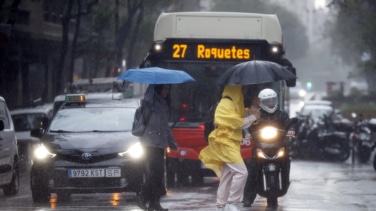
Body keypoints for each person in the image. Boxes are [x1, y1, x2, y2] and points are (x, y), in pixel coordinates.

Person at [199, 85, 260, 211]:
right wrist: (252, 117)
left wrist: (253, 109)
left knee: (227, 175)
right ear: (236, 89)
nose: (244, 91)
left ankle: (221, 205)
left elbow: (242, 117)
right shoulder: (226, 103)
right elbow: (236, 122)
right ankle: (232, 202)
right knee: (242, 172)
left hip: (231, 143)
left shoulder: (235, 103)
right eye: (242, 89)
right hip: (225, 142)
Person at [243, 88, 295, 208]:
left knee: (286, 161)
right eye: (267, 101)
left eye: (272, 100)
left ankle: (285, 182)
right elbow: (248, 125)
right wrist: (246, 133)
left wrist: (291, 130)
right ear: (261, 102)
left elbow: (289, 124)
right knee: (253, 169)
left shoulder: (282, 113)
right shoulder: (256, 114)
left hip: (279, 145)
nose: (270, 103)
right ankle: (248, 198)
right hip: (261, 145)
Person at [137, 84, 178, 211]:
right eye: (165, 88)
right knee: (157, 172)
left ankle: (154, 203)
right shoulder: (150, 102)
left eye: (168, 89)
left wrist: (172, 143)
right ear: (158, 89)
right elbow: (148, 97)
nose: (167, 91)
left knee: (159, 175)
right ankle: (143, 196)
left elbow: (166, 127)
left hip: (161, 143)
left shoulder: (164, 105)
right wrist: (152, 90)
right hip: (150, 142)